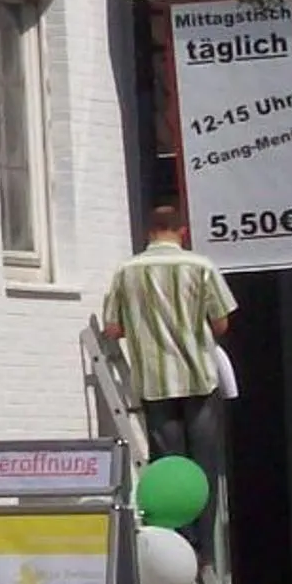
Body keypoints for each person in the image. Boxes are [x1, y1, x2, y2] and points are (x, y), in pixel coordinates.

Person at [101, 200, 237, 558]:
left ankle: (177, 538)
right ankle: (204, 549)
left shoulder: (126, 272)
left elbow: (113, 329)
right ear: (182, 232)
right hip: (198, 378)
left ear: (149, 232)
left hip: (155, 382)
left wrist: (142, 326)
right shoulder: (201, 267)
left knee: (168, 464)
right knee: (203, 466)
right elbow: (222, 322)